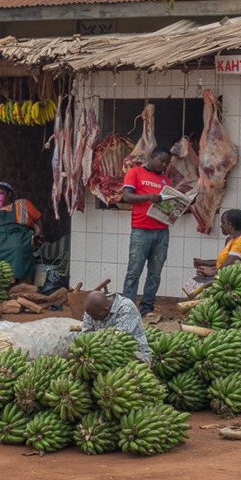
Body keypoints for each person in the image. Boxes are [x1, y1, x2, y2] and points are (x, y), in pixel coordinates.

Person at [120, 146, 172, 316]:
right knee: (134, 272)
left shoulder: (165, 181)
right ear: (152, 157)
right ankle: (128, 309)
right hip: (141, 230)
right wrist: (148, 197)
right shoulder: (135, 173)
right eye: (161, 161)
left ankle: (147, 308)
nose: (163, 165)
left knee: (155, 273)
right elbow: (127, 197)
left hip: (162, 231)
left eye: (166, 163)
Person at [0, 181, 42, 283]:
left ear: (9, 194)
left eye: (1, 193)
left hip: (18, 234)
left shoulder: (23, 203)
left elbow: (38, 218)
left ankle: (18, 281)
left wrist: (40, 233)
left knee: (17, 247)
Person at [81, 290, 152, 364]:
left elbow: (117, 339)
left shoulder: (126, 308)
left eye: (96, 317)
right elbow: (86, 334)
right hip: (101, 353)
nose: (93, 319)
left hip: (134, 354)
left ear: (106, 309)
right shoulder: (92, 309)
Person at [193, 209, 241, 281]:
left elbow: (230, 264)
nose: (221, 226)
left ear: (230, 225)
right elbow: (223, 261)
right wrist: (204, 264)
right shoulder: (233, 240)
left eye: (223, 223)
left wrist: (212, 273)